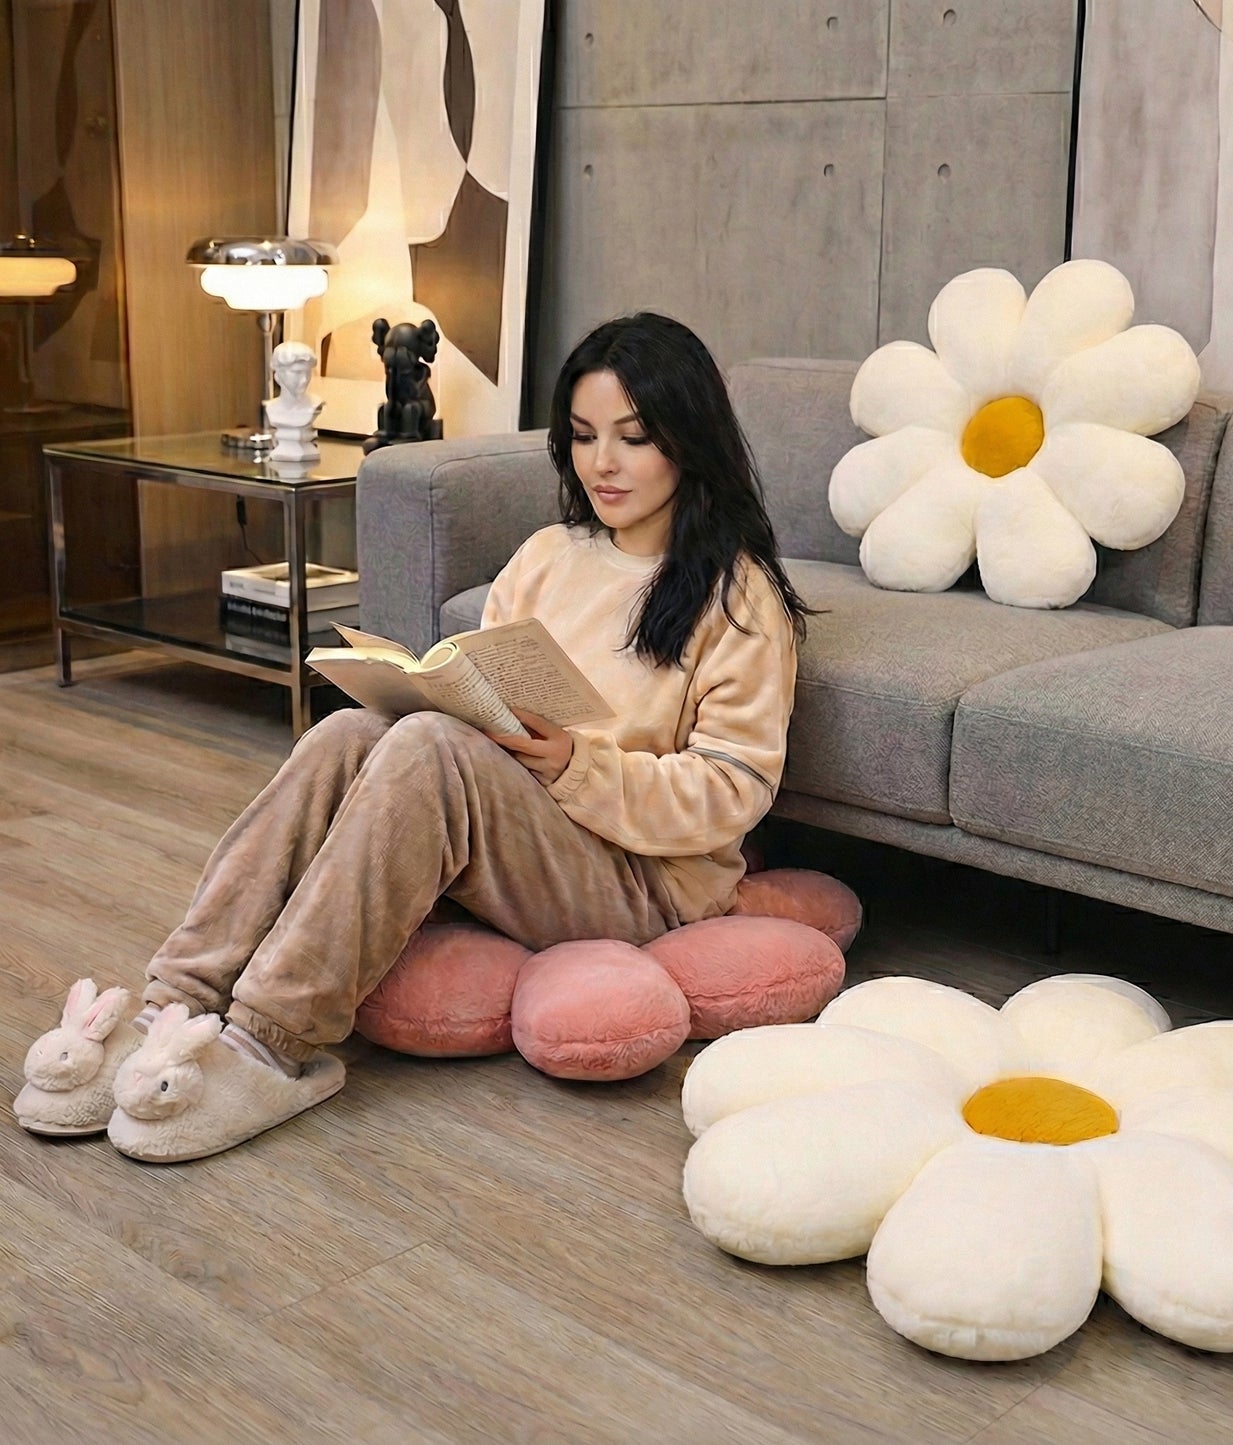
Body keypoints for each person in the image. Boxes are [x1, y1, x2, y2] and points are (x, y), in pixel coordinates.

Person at [13, 312, 812, 1163]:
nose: (602, 463)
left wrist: (581, 762)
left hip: (642, 878)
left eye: (633, 437)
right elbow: (485, 676)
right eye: (581, 436)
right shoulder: (549, 553)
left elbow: (734, 791)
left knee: (432, 746)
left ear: (688, 441)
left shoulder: (739, 596)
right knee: (351, 731)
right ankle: (176, 1002)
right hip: (528, 828)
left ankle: (273, 1039)